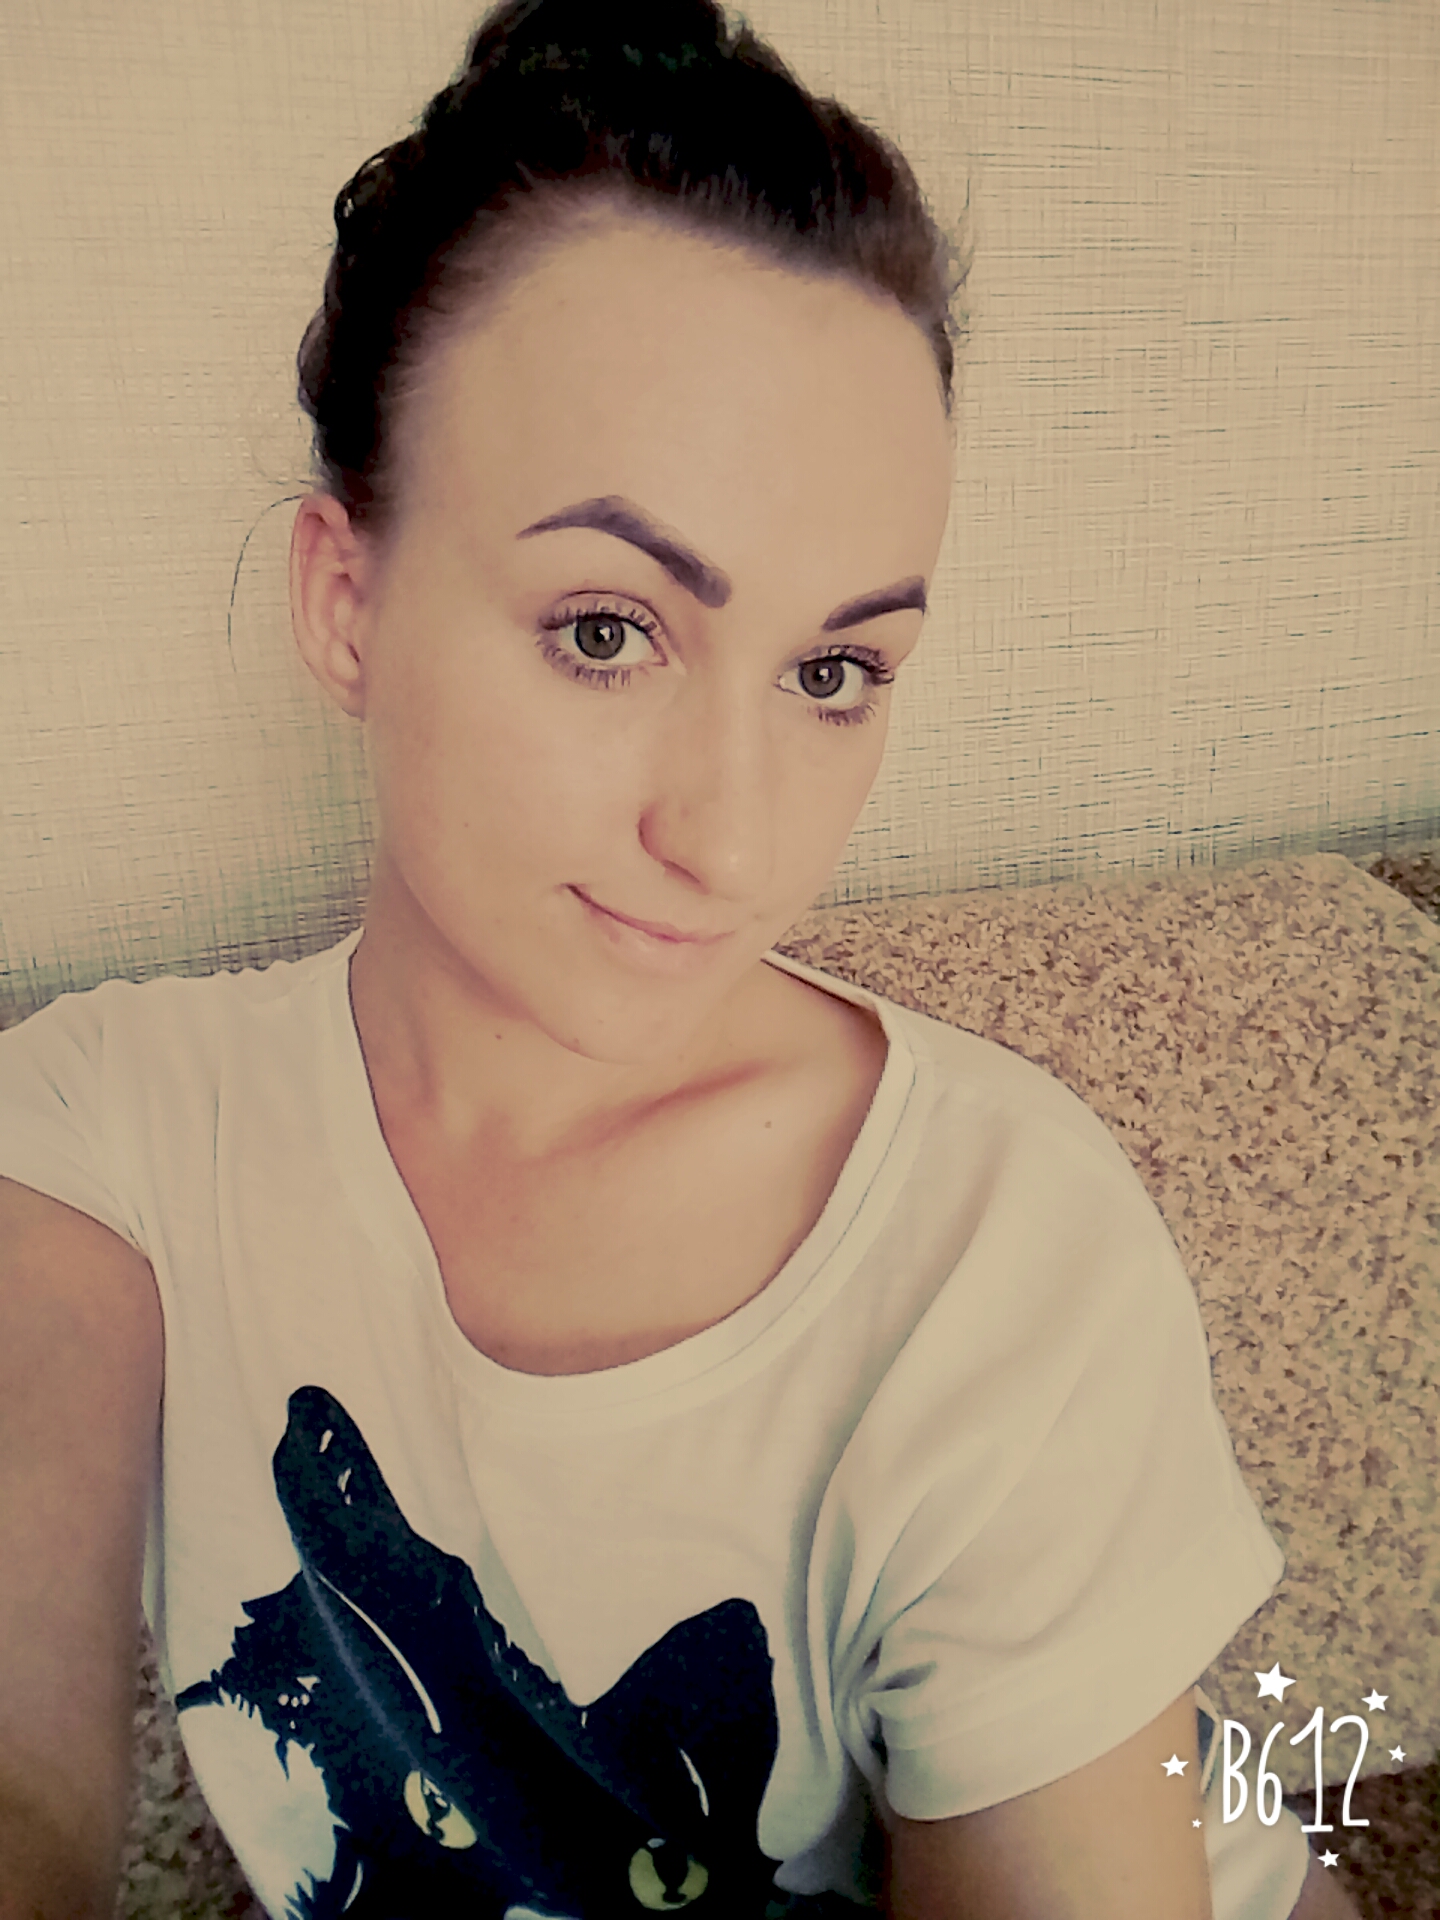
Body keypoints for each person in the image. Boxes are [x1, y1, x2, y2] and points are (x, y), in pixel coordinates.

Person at [0, 3, 1359, 1916]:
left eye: (834, 671)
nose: (732, 843)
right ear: (347, 601)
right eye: (607, 629)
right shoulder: (109, 1138)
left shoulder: (989, 1250)